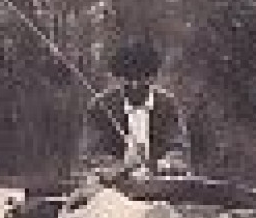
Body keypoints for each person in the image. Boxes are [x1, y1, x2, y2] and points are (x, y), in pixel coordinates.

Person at [77, 39, 191, 186]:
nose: (135, 85)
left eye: (141, 79)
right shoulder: (100, 107)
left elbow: (179, 149)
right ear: (119, 78)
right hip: (114, 187)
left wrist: (165, 164)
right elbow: (90, 154)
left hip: (160, 185)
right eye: (129, 79)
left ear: (152, 78)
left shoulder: (167, 105)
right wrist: (120, 167)